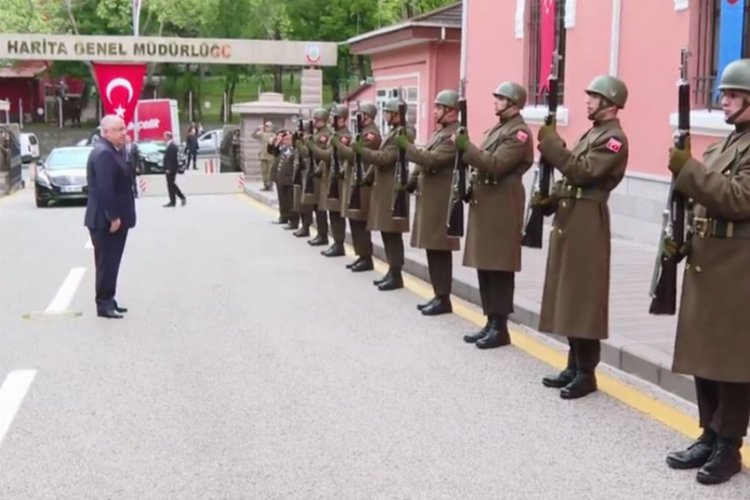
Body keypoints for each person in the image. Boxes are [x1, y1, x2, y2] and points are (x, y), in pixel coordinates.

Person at [663, 58, 750, 486]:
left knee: (732, 362)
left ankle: (729, 445)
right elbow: (698, 196)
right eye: (724, 94)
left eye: (733, 94)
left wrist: (688, 169)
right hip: (706, 262)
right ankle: (708, 431)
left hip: (737, 269)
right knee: (704, 355)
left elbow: (738, 199)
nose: (725, 101)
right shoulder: (721, 146)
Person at [534, 75, 629, 399]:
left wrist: (553, 145)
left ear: (611, 103)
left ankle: (586, 372)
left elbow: (583, 172)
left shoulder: (614, 139)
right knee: (570, 293)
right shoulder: (595, 133)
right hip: (572, 216)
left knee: (584, 296)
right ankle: (573, 364)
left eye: (594, 97)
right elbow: (573, 179)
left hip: (588, 221)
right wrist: (551, 198)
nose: (587, 101)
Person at [455, 82, 534, 347]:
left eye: (500, 98)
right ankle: (489, 320)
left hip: (502, 206)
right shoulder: (499, 128)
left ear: (513, 102)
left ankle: (500, 326)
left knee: (499, 268)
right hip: (487, 202)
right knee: (485, 265)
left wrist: (467, 148)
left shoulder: (519, 133)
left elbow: (497, 165)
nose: (495, 102)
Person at [395, 90, 460, 315]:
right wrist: (411, 181)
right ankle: (438, 294)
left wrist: (407, 148)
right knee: (433, 249)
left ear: (450, 111)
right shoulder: (439, 133)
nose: (434, 111)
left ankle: (444, 297)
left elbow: (432, 160)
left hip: (441, 200)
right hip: (430, 197)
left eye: (438, 107)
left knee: (440, 249)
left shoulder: (454, 136)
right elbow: (424, 161)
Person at [356, 98, 413, 290]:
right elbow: (379, 160)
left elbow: (385, 158)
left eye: (388, 112)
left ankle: (396, 273)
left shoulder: (404, 133)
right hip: (384, 189)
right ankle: (391, 270)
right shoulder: (393, 132)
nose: (386, 116)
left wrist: (361, 151)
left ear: (396, 114)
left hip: (393, 190)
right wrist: (367, 177)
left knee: (392, 233)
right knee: (386, 232)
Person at [83, 115, 136, 319]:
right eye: (119, 129)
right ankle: (104, 303)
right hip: (105, 221)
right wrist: (113, 217)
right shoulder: (104, 153)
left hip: (111, 219)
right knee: (107, 262)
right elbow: (105, 189)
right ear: (106, 132)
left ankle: (109, 298)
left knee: (112, 262)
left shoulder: (113, 150)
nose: (124, 132)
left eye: (124, 128)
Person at [335, 103, 381, 272]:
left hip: (362, 183)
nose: (358, 118)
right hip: (355, 180)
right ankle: (361, 255)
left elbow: (354, 156)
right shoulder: (362, 133)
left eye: (361, 115)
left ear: (368, 116)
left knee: (359, 221)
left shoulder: (371, 135)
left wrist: (339, 146)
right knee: (354, 221)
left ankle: (366, 257)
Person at [308, 105, 351, 257]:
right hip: (331, 177)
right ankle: (336, 243)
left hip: (338, 179)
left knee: (336, 213)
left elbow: (328, 156)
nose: (333, 120)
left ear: (343, 119)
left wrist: (311, 146)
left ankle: (339, 244)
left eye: (336, 117)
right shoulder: (336, 135)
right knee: (332, 212)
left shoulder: (344, 136)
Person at [298, 108, 333, 246]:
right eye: (314, 119)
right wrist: (300, 144)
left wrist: (310, 144)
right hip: (313, 172)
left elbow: (321, 154)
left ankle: (323, 234)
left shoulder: (326, 134)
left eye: (317, 119)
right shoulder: (316, 133)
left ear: (324, 120)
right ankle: (319, 233)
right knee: (314, 204)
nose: (315, 122)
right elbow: (308, 154)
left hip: (321, 172)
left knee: (320, 206)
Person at [163, 131, 186, 207]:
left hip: (171, 169)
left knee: (171, 184)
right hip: (169, 168)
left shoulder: (172, 146)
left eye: (165, 136)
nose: (164, 138)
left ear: (168, 137)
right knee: (171, 185)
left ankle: (180, 198)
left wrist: (168, 168)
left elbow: (172, 159)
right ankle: (173, 200)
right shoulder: (169, 145)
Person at [253, 121, 276, 191]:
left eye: (268, 126)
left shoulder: (274, 135)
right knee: (264, 171)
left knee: (270, 171)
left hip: (271, 156)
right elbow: (253, 135)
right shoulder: (262, 134)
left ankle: (270, 184)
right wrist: (257, 129)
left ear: (271, 127)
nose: (267, 127)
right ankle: (265, 185)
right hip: (263, 155)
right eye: (266, 126)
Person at [123, 134, 140, 199]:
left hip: (132, 165)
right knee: (126, 180)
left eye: (128, 138)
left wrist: (137, 167)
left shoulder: (134, 146)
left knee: (133, 180)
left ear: (130, 139)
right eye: (126, 138)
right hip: (125, 164)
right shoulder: (123, 146)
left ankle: (135, 193)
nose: (127, 140)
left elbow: (137, 157)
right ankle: (128, 193)